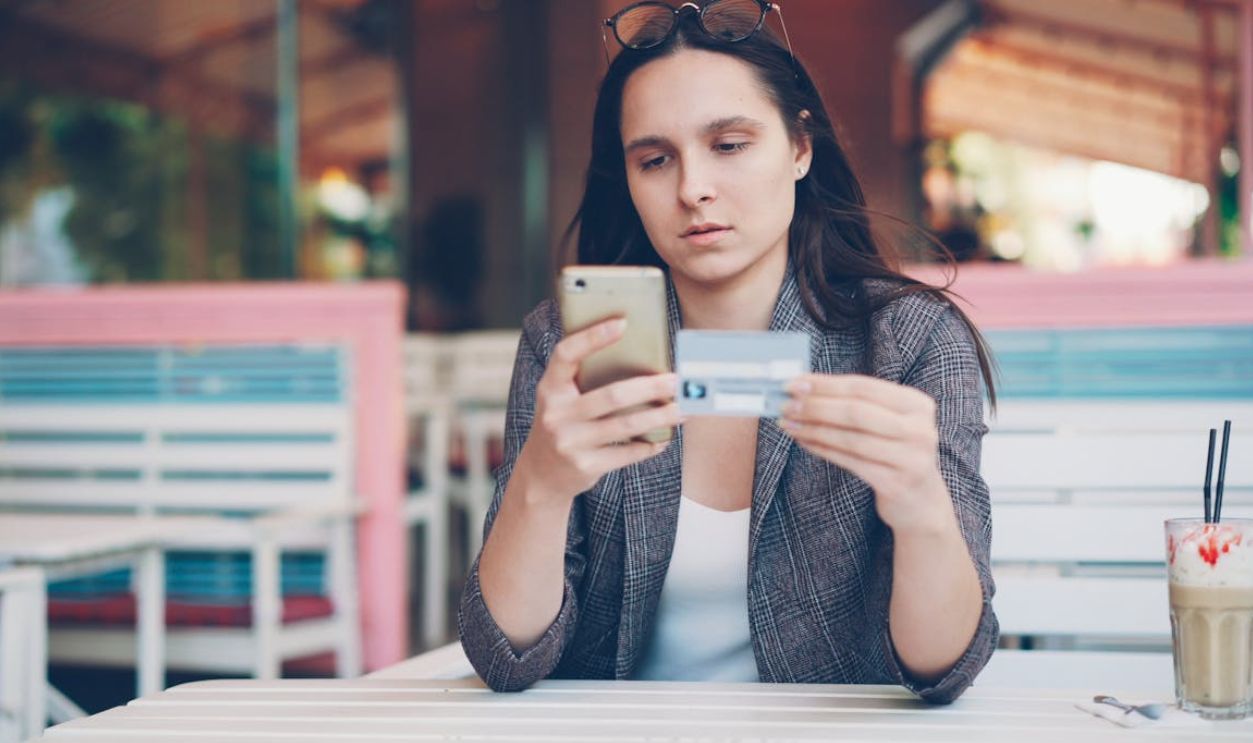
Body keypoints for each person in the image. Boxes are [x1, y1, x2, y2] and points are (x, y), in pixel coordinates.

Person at [459, 0, 998, 704]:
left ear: (800, 147)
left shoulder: (909, 340)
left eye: (730, 145)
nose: (693, 189)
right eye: (655, 160)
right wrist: (541, 481)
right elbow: (504, 657)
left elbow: (943, 669)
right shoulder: (573, 344)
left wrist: (921, 506)